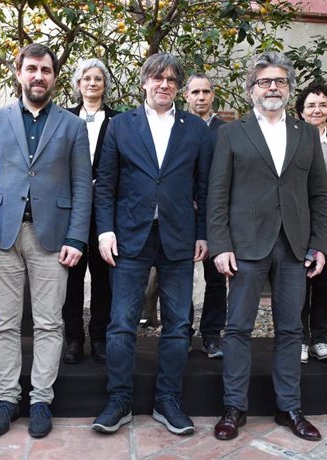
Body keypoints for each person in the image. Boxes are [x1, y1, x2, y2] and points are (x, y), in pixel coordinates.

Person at [0, 43, 92, 439]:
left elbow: (82, 187)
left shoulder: (73, 126)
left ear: (55, 78)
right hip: (2, 237)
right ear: (19, 73)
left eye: (46, 70)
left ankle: (41, 399)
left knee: (49, 323)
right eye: (32, 69)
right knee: (4, 324)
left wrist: (77, 237)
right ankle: (7, 399)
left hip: (53, 239)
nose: (39, 76)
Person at [208, 51, 327, 442]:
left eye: (279, 81)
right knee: (238, 328)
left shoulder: (306, 133)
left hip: (294, 247)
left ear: (289, 89)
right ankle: (234, 407)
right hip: (245, 246)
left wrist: (319, 244)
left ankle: (289, 407)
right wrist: (220, 244)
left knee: (292, 329)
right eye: (264, 81)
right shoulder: (230, 133)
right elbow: (217, 194)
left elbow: (320, 195)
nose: (272, 87)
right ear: (251, 91)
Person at [92, 53, 212, 435]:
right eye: (157, 78)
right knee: (122, 323)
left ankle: (168, 400)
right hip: (129, 235)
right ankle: (119, 400)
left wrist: (203, 232)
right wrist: (105, 231)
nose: (164, 85)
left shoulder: (195, 128)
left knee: (178, 325)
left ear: (178, 87)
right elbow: (106, 182)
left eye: (172, 80)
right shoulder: (120, 125)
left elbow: (205, 186)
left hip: (179, 237)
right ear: (144, 82)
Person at [62, 58, 120, 365]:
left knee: (102, 278)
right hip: (71, 209)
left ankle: (99, 338)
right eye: (87, 78)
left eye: (98, 78)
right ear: (78, 84)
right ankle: (74, 339)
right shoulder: (63, 117)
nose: (93, 83)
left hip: (105, 212)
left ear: (104, 85)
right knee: (70, 278)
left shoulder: (119, 120)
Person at [294, 81, 327, 364]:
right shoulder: (292, 139)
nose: (316, 109)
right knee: (300, 282)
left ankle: (320, 339)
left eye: (322, 105)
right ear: (301, 111)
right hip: (298, 224)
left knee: (325, 285)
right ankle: (300, 339)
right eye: (310, 105)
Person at [183, 73, 227, 358]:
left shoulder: (225, 131)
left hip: (216, 215)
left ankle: (211, 335)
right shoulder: (178, 126)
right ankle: (182, 332)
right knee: (181, 277)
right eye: (195, 92)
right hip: (184, 214)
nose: (201, 97)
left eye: (206, 92)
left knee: (215, 277)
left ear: (213, 96)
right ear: (186, 95)